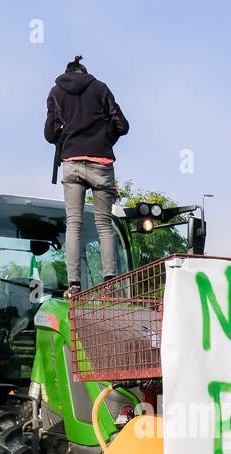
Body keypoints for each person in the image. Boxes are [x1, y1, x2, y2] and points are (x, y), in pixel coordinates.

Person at [44, 55, 129, 298]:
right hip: (101, 163)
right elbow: (122, 125)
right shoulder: (100, 88)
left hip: (71, 163)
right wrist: (104, 137)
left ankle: (74, 285)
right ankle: (110, 284)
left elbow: (50, 133)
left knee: (74, 223)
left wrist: (66, 133)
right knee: (103, 224)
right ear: (85, 72)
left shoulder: (56, 92)